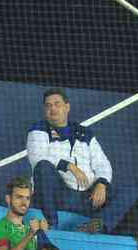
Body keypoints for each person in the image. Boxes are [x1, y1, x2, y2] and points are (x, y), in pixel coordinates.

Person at [27, 88, 125, 233]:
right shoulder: (39, 129)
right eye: (48, 105)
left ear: (67, 107)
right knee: (42, 167)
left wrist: (102, 184)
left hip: (87, 198)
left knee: (130, 192)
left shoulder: (85, 133)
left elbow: (102, 163)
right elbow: (37, 157)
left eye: (57, 104)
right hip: (60, 195)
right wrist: (69, 166)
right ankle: (52, 225)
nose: (52, 108)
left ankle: (98, 225)